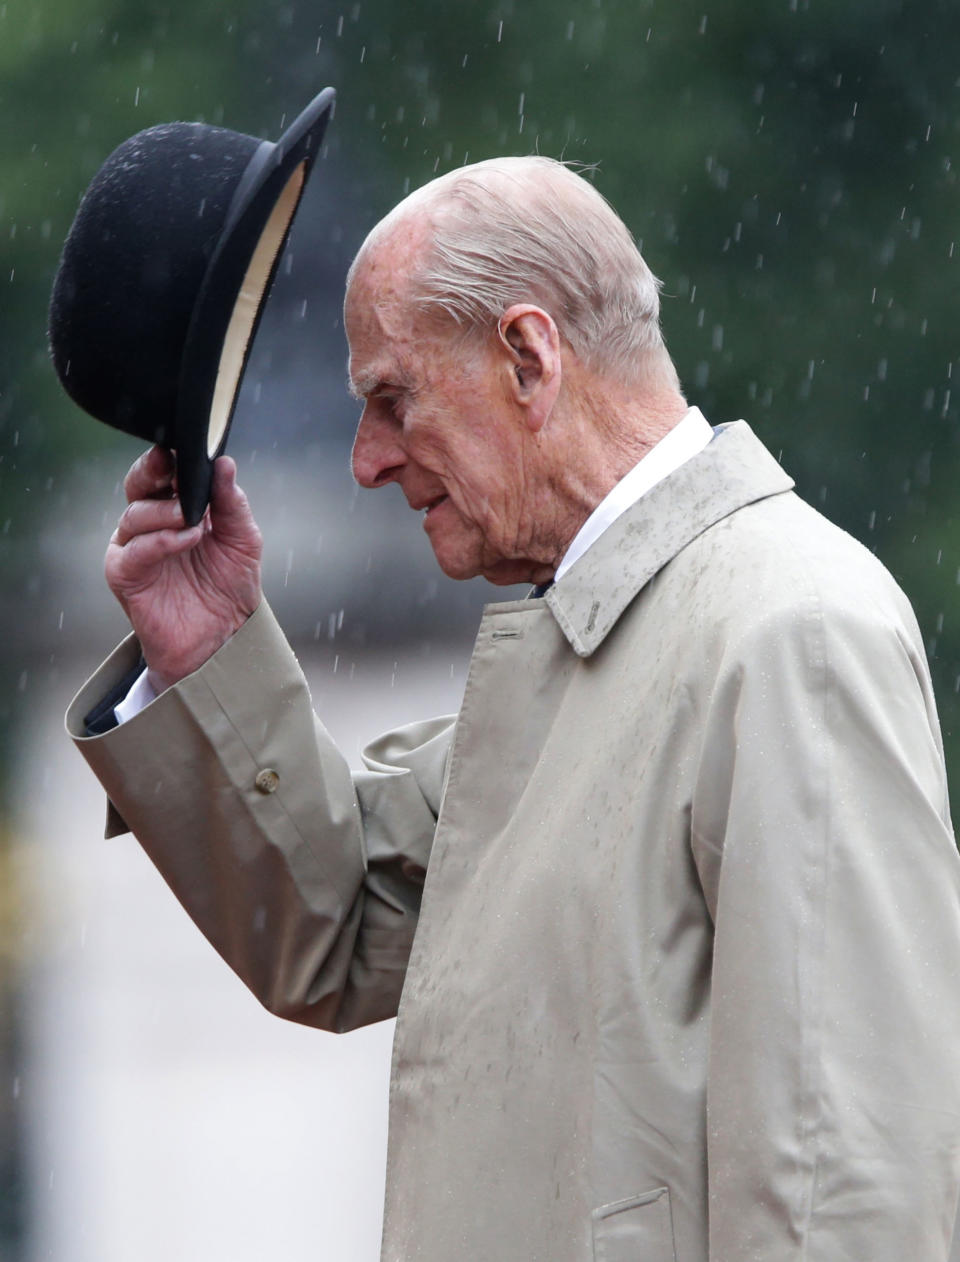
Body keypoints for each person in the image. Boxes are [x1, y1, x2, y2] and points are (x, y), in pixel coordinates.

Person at [67, 157, 960, 1262]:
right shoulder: (618, 631)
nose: (365, 462)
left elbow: (846, 1189)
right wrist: (205, 654)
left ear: (529, 358)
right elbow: (334, 928)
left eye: (393, 399)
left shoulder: (789, 626)